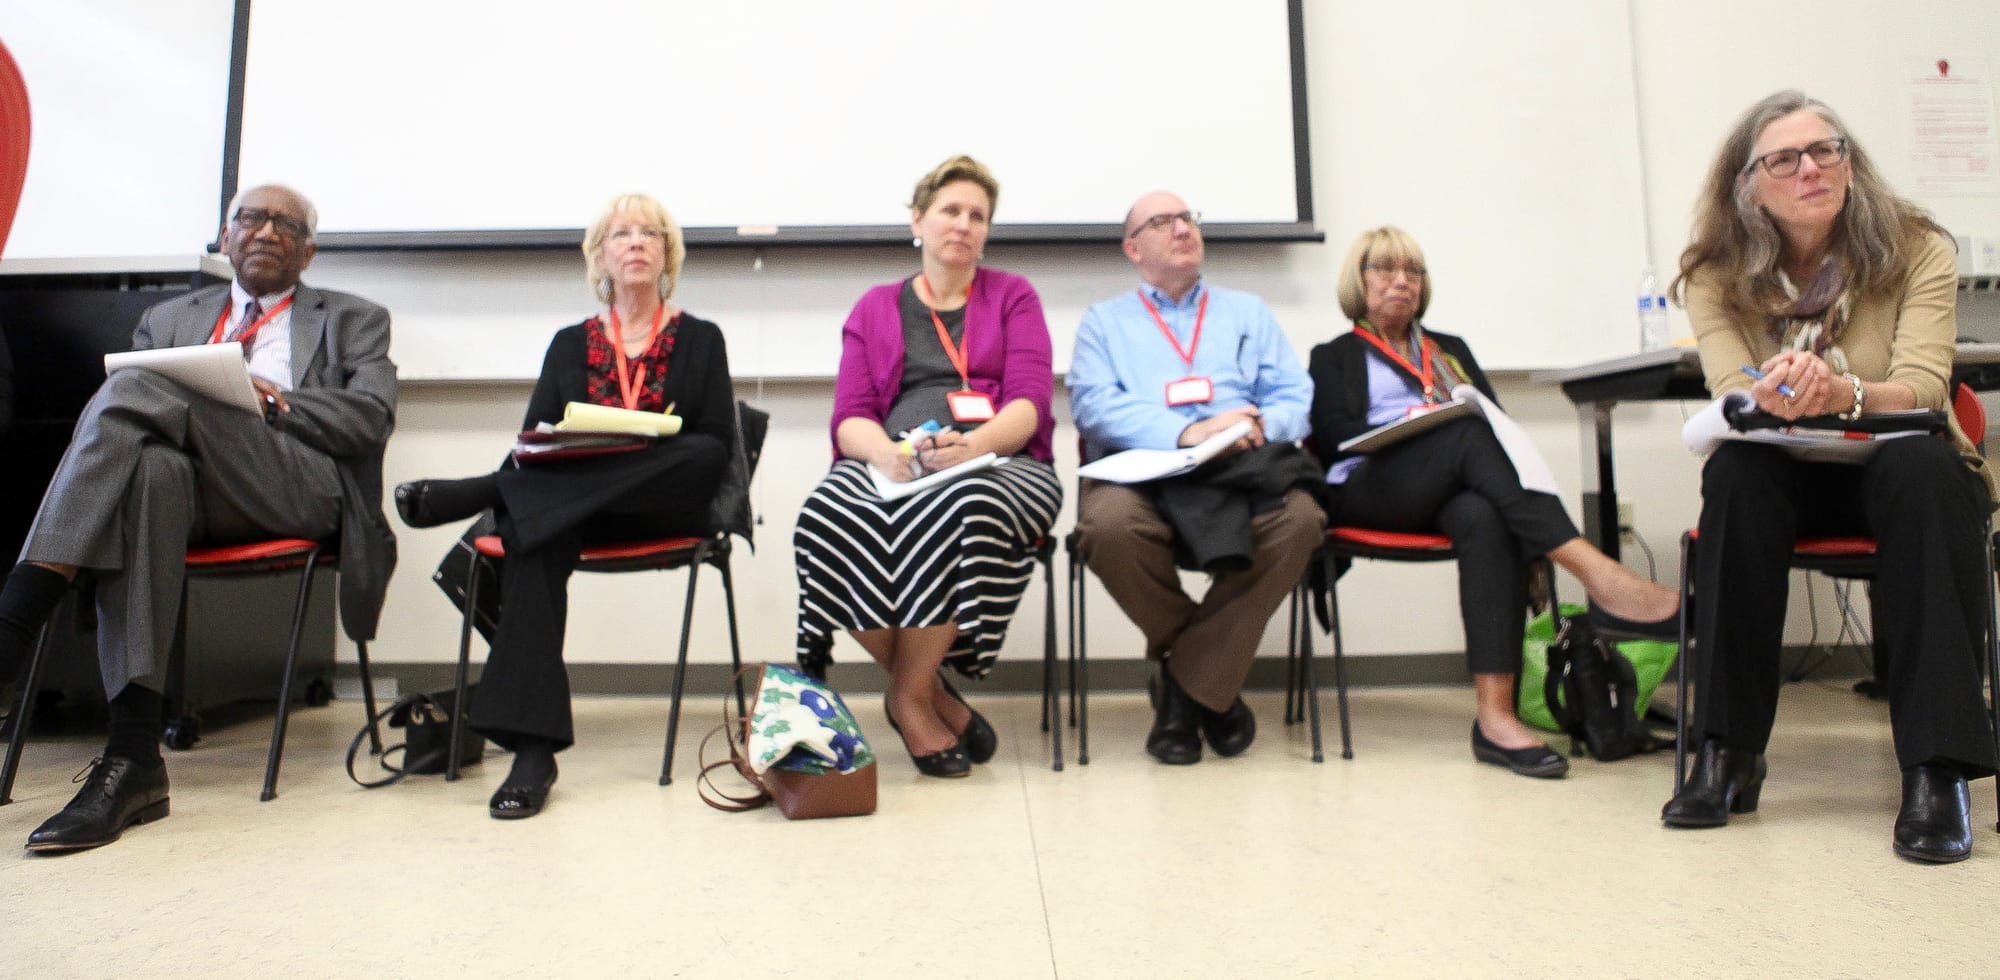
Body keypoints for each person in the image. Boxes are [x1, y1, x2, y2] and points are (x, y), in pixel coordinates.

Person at [0, 184, 397, 852]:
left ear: (309, 250)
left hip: (295, 484)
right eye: (251, 217)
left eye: (285, 223)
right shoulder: (168, 318)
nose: (266, 230)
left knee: (131, 387)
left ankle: (16, 616)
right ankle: (134, 759)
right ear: (226, 233)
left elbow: (371, 417)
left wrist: (270, 404)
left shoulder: (353, 317)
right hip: (194, 491)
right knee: (151, 472)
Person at [1664, 91, 1998, 863]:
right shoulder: (1717, 273)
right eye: (1785, 158)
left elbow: (1921, 389)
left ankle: (1937, 768)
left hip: (1894, 452)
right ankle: (1726, 753)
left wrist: (1842, 392)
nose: (1811, 167)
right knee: (1739, 472)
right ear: (1749, 185)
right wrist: (1772, 398)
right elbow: (1730, 396)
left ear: (1850, 162)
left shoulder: (1916, 246)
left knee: (1923, 471)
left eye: (1827, 149)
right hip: (1787, 463)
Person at [395, 194, 733, 819]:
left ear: (667, 255)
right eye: (621, 233)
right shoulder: (569, 344)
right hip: (578, 509)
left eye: (650, 233)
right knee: (536, 529)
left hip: (665, 502)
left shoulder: (701, 338)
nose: (636, 242)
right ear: (600, 255)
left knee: (692, 452)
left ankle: (479, 492)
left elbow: (718, 444)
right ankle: (533, 754)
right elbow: (534, 443)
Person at [1306, 226, 1681, 778]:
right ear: (1357, 283)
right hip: (1370, 487)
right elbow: (1332, 433)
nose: (1401, 282)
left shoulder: (1450, 351)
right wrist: (1417, 425)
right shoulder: (1334, 355)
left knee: (1485, 515)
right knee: (1463, 437)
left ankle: (1495, 720)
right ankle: (1596, 572)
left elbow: (1497, 429)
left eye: (1413, 271)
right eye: (1385, 270)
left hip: (1446, 490)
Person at [793, 155, 1061, 779]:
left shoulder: (1014, 295)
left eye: (978, 216)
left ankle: (909, 698)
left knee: (958, 505)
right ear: (918, 219)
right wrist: (888, 454)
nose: (964, 224)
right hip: (900, 459)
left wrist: (974, 448)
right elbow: (850, 417)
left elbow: (1031, 403)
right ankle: (931, 691)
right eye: (950, 210)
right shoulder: (875, 307)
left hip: (1002, 461)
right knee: (824, 517)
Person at [1068, 191, 1324, 766]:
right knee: (1107, 527)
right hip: (1145, 471)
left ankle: (1182, 689)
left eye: (1188, 218)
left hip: (1240, 466)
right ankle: (1211, 688)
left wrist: (1257, 424)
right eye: (1163, 222)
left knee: (1302, 519)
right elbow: (1093, 408)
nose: (1183, 228)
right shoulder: (1104, 322)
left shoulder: (1247, 312)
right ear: (1133, 248)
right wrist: (1184, 433)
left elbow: (1293, 397)